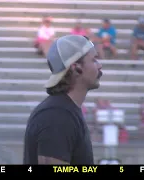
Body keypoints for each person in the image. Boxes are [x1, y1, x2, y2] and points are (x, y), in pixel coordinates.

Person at [23, 35, 103, 164]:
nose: (99, 66)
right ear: (76, 67)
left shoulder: (65, 111)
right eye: (94, 60)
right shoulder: (57, 115)